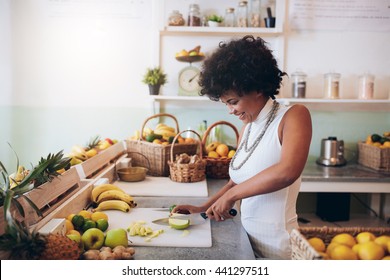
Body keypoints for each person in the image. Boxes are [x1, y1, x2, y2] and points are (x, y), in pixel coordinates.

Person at [173, 35, 312, 259]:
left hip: (279, 250)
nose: (230, 110)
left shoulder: (294, 116)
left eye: (233, 102)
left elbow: (287, 171)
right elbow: (236, 181)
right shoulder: (248, 127)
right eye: (226, 103)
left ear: (256, 88)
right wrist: (203, 208)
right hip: (248, 244)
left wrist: (232, 196)